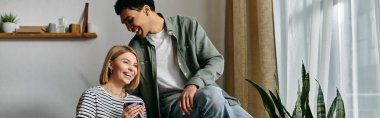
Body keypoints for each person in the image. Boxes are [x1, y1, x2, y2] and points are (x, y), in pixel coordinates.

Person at [114, 0, 253, 118]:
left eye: (130, 20)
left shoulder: (187, 26)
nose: (129, 28)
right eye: (125, 24)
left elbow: (216, 60)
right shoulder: (134, 49)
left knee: (216, 98)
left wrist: (194, 84)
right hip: (173, 107)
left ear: (146, 10)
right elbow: (133, 90)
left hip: (203, 94)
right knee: (212, 96)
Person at [76, 45, 146, 118]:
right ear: (111, 64)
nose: (132, 68)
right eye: (126, 62)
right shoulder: (92, 96)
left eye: (135, 65)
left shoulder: (137, 102)